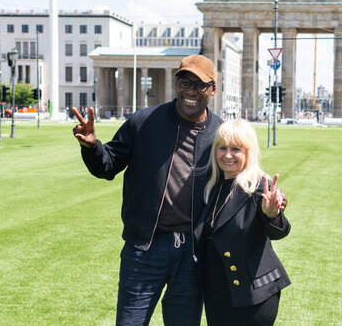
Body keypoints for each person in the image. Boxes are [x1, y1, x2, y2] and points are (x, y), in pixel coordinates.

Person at [71, 54, 223, 325]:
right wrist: (92, 147)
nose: (191, 91)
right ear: (176, 84)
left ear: (213, 89)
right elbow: (107, 166)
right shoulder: (143, 121)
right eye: (184, 82)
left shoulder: (221, 135)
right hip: (144, 248)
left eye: (199, 85)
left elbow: (236, 188)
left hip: (193, 254)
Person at [195, 119, 291, 326]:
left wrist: (271, 213)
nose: (227, 155)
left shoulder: (258, 187)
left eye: (236, 149)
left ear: (249, 152)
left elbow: (278, 230)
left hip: (254, 295)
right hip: (216, 295)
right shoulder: (211, 186)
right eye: (222, 148)